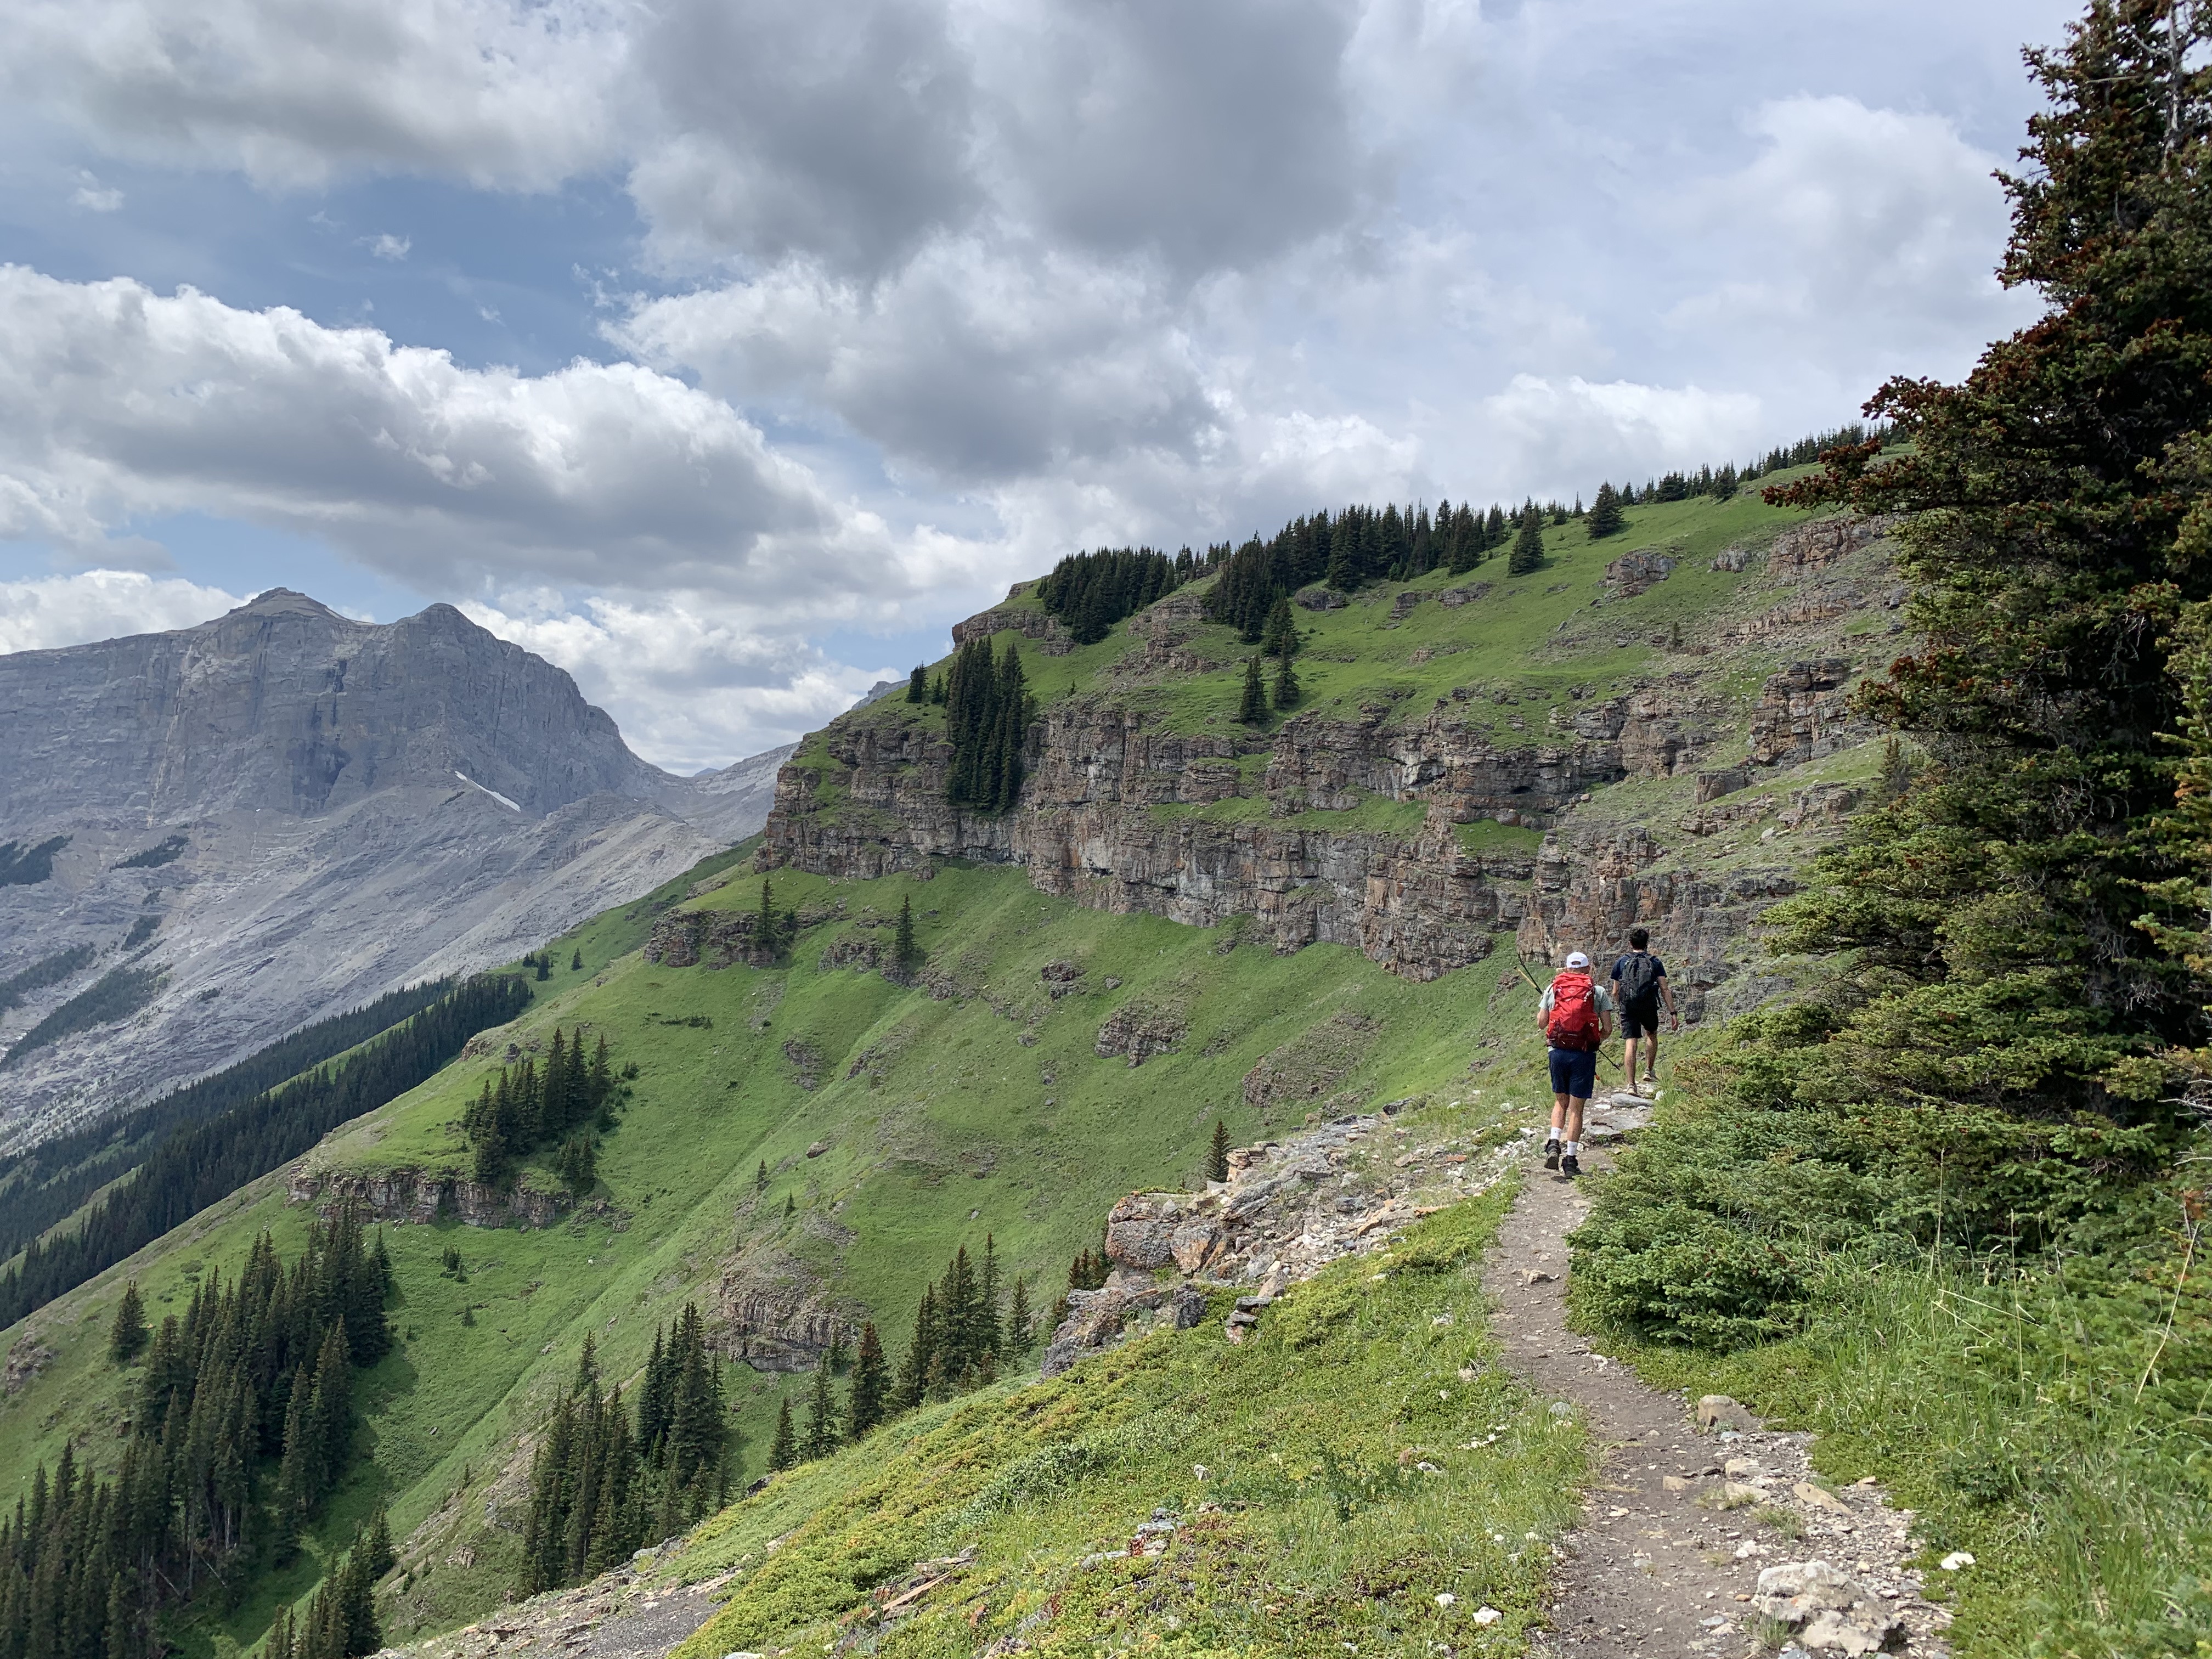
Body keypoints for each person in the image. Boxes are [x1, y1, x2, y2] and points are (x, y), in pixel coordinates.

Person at [1538, 950, 1615, 1178]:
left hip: (1558, 1052)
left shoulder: (1553, 989)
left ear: (1567, 969)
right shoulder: (1597, 992)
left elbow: (1542, 1023)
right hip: (1583, 1055)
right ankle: (1570, 1161)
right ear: (1588, 969)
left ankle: (1554, 1143)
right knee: (1577, 1110)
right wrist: (1594, 1040)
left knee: (1560, 1103)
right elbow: (1608, 1029)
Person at [1610, 926, 1680, 1094]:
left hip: (1628, 1006)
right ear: (1647, 943)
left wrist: (1622, 1006)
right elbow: (1664, 989)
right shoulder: (1654, 962)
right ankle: (1649, 1070)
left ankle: (1631, 1085)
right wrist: (1673, 1012)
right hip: (1648, 1005)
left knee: (1631, 1042)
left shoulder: (1622, 962)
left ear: (1630, 943)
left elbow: (1615, 991)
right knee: (1651, 1033)